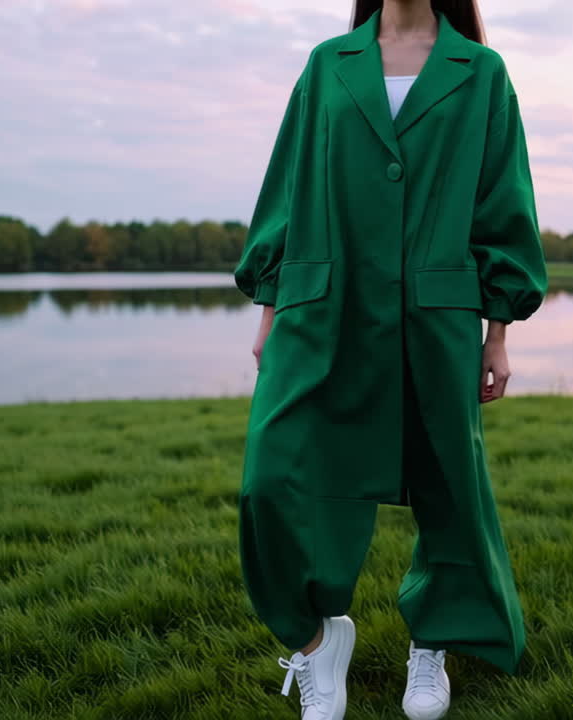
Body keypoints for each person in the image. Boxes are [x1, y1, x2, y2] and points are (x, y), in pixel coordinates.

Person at [232, 0, 547, 717]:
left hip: (435, 312)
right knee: (271, 475)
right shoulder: (328, 64)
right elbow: (287, 190)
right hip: (324, 302)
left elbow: (503, 205)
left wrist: (497, 334)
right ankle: (317, 642)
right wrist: (270, 309)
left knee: (446, 484)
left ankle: (433, 638)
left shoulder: (481, 72)